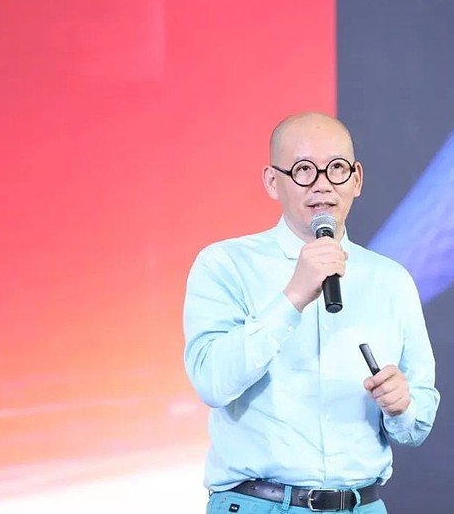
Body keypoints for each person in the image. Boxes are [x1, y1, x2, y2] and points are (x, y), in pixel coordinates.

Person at [182, 111, 440, 514]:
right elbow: (212, 382)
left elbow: (418, 421)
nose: (322, 184)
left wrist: (401, 406)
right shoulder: (226, 265)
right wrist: (293, 297)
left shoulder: (391, 281)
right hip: (260, 503)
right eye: (304, 170)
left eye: (336, 168)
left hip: (361, 505)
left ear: (356, 179)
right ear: (273, 181)